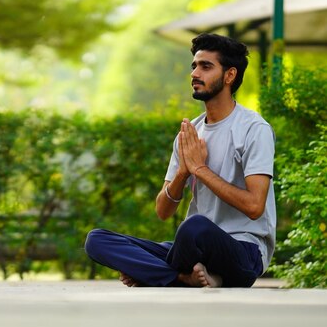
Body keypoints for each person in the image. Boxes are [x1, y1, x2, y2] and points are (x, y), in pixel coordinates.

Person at [84, 33, 276, 288]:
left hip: (243, 251)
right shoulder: (189, 134)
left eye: (206, 66)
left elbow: (255, 206)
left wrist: (200, 169)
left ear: (229, 75)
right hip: (191, 249)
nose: (195, 73)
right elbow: (163, 211)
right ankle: (182, 277)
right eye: (194, 66)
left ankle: (157, 273)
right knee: (97, 240)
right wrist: (183, 174)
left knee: (194, 227)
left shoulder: (254, 129)